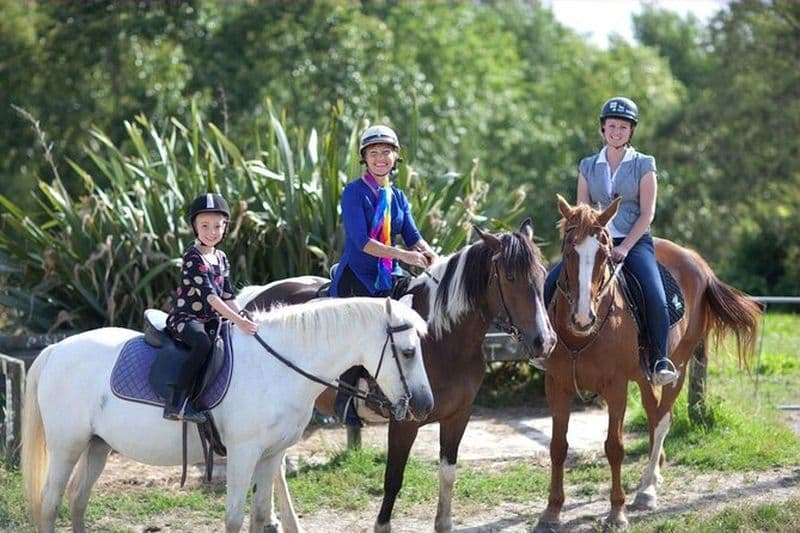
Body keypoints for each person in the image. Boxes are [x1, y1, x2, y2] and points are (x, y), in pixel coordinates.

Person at [544, 96, 679, 387]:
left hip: (633, 241)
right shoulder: (588, 165)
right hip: (592, 242)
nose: (616, 131)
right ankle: (542, 347)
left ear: (631, 131)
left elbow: (648, 212)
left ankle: (658, 360)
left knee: (655, 297)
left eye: (623, 127)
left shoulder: (644, 164)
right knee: (549, 283)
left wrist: (625, 247)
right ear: (603, 129)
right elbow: (581, 210)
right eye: (611, 126)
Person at [331, 124, 438, 425]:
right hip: (358, 276)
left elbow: (414, 236)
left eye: (386, 153)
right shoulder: (354, 192)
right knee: (360, 334)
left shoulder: (399, 197)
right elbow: (363, 242)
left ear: (395, 158)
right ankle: (345, 400)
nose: (380, 158)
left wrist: (434, 259)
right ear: (364, 158)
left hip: (389, 274)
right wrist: (405, 256)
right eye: (373, 153)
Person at [164, 193, 259, 423]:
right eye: (205, 225)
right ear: (195, 227)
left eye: (218, 226)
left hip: (211, 320)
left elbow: (227, 294)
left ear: (225, 227)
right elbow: (211, 299)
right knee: (203, 343)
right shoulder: (193, 257)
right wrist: (238, 321)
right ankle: (177, 402)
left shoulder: (222, 257)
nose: (212, 231)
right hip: (187, 318)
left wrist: (244, 315)